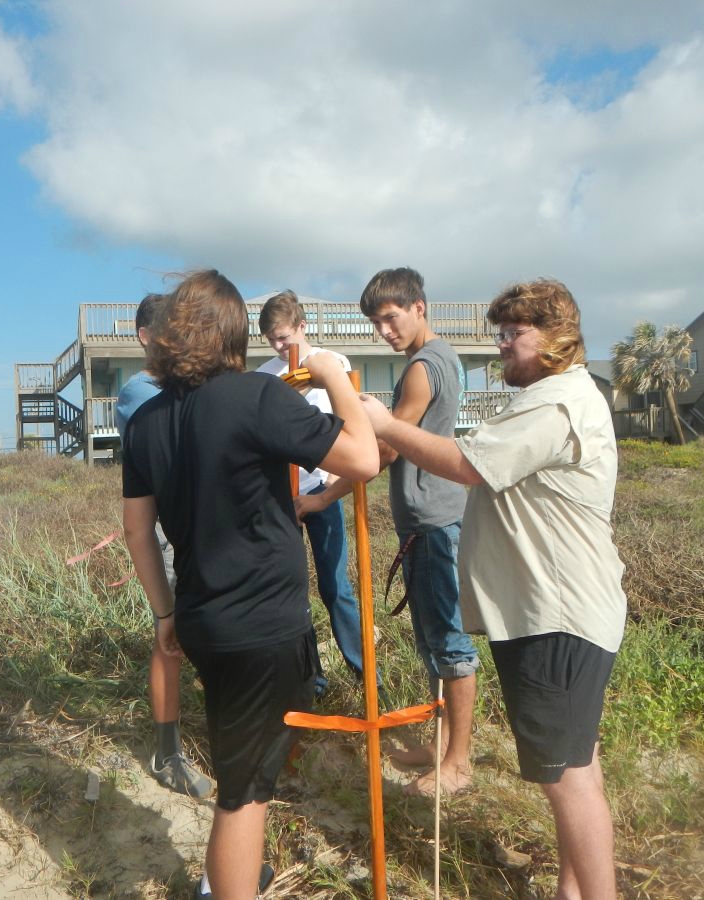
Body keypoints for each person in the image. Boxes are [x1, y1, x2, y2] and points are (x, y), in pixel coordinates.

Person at [360, 279, 626, 900]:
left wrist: (383, 423)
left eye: (515, 335)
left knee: (569, 778)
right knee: (575, 764)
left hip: (554, 614)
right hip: (559, 610)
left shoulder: (556, 403)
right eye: (500, 333)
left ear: (557, 338)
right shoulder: (555, 395)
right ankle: (572, 888)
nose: (502, 346)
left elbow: (467, 465)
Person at [122, 271, 378, 900]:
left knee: (241, 764)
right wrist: (334, 379)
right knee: (245, 790)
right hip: (262, 625)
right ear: (234, 333)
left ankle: (230, 875)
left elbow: (137, 533)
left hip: (202, 618)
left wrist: (164, 614)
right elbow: (363, 458)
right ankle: (225, 886)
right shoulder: (256, 397)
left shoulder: (147, 421)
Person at [350, 266, 480, 799]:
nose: (384, 330)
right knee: (432, 641)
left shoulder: (424, 369)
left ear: (419, 307)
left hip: (434, 522)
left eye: (391, 317)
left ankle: (459, 763)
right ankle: (441, 741)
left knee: (450, 644)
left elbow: (384, 447)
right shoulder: (440, 358)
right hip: (428, 522)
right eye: (376, 323)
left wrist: (325, 489)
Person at [116, 292, 212, 799]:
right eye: (173, 331)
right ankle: (166, 749)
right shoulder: (139, 391)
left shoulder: (186, 386)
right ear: (147, 338)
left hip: (197, 529)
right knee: (168, 634)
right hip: (163, 533)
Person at [255, 291, 367, 691]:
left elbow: (351, 427)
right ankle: (310, 682)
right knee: (292, 593)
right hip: (280, 498)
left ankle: (366, 677)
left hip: (322, 490)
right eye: (271, 339)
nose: (279, 346)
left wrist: (331, 491)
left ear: (303, 326)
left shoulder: (334, 366)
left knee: (336, 588)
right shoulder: (265, 377)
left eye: (284, 336)